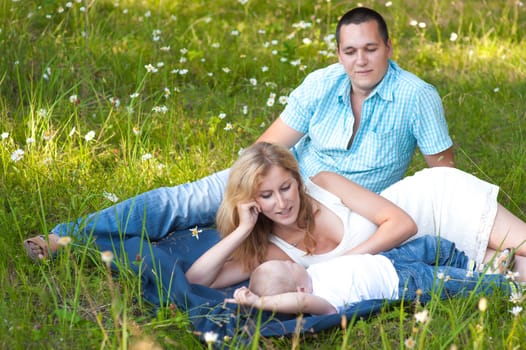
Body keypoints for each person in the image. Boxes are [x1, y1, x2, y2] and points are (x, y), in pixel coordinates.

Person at [24, 7, 454, 260]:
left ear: (389, 48)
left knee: (229, 249)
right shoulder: (322, 83)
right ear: (339, 53)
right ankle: (67, 237)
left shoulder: (418, 97)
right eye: (350, 51)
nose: (361, 61)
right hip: (281, 177)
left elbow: (445, 178)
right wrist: (242, 185)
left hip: (339, 210)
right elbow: (268, 146)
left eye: (371, 49)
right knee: (185, 201)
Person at [185, 142, 526, 289]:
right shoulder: (269, 250)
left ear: (297, 180)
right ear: (252, 201)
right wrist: (243, 229)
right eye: (266, 195)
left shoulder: (325, 185)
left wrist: (342, 263)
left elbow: (402, 223)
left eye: (285, 188)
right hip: (433, 253)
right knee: (518, 274)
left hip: (437, 204)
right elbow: (198, 280)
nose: (281, 203)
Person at [225, 236, 514, 315]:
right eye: (287, 267)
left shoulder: (312, 272)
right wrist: (258, 302)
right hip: (403, 283)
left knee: (433, 244)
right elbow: (298, 305)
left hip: (391, 259)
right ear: (297, 291)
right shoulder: (321, 301)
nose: (289, 262)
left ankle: (479, 268)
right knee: (448, 281)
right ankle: (508, 288)